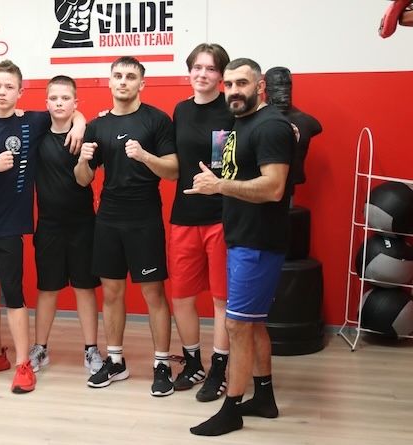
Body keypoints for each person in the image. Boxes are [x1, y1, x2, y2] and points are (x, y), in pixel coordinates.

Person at [0, 60, 84, 394]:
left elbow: (67, 112)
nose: (2, 92)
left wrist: (81, 124)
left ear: (20, 92)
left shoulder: (32, 122)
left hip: (8, 227)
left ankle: (23, 363)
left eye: (9, 87)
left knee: (13, 296)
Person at [186, 58, 295, 436]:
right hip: (241, 238)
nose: (233, 90)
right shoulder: (241, 123)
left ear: (260, 86)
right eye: (229, 84)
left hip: (259, 242)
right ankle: (264, 397)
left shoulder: (270, 126)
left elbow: (274, 187)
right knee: (252, 323)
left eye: (241, 84)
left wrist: (219, 186)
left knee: (237, 325)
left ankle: (231, 409)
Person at [74, 56, 178, 396]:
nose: (123, 81)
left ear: (141, 84)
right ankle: (116, 361)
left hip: (144, 217)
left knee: (153, 293)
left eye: (130, 76)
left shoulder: (157, 120)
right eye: (117, 75)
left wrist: (145, 156)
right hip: (108, 217)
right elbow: (82, 179)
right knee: (112, 292)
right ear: (109, 81)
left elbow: (174, 170)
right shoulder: (97, 126)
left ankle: (161, 363)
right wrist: (83, 160)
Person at [169, 43, 234, 402]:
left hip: (221, 216)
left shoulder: (232, 109)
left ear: (221, 75)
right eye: (197, 67)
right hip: (184, 216)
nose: (203, 74)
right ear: (189, 71)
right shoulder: (180, 110)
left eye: (210, 68)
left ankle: (219, 368)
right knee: (181, 297)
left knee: (221, 299)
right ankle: (193, 362)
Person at [27, 75, 102, 375]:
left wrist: (81, 125)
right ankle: (40, 348)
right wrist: (79, 120)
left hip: (83, 224)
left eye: (66, 98)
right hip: (49, 225)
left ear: (75, 102)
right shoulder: (37, 133)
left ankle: (91, 349)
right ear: (46, 103)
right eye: (54, 98)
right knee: (47, 289)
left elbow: (86, 179)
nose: (59, 103)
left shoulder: (87, 135)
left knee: (85, 288)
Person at [264, 66, 322, 198]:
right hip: (260, 188)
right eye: (278, 86)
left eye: (285, 85)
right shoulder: (255, 119)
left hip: (288, 188)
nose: (282, 91)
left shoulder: (307, 122)